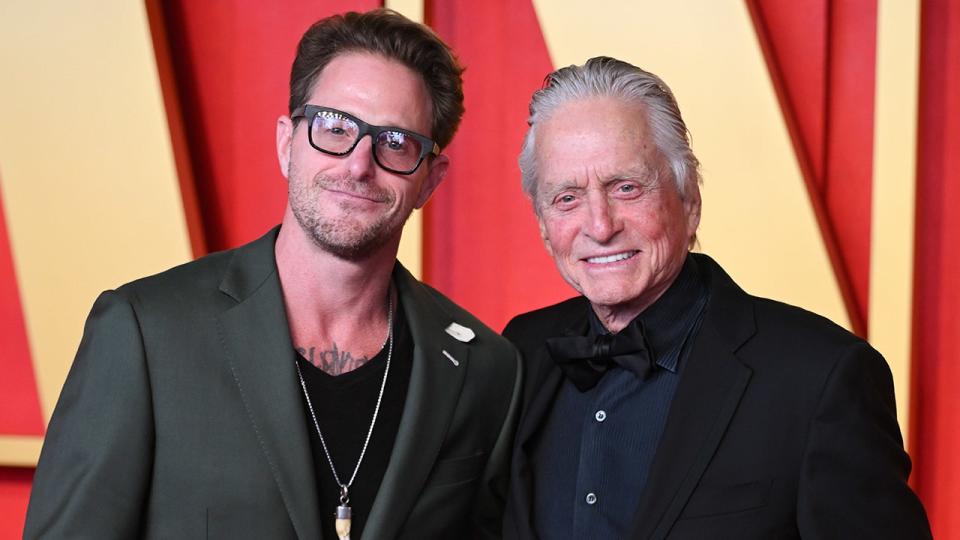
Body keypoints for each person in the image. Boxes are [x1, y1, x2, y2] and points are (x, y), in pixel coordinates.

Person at [24, 9, 521, 539]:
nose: (358, 164)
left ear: (430, 180)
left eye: (395, 143)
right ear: (288, 143)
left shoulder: (484, 371)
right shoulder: (145, 333)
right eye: (335, 128)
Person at [501, 56, 930, 539]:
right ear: (543, 223)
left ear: (689, 199)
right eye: (567, 197)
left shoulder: (822, 377)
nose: (601, 226)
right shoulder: (519, 354)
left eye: (626, 187)